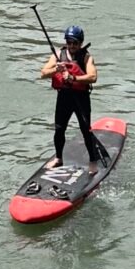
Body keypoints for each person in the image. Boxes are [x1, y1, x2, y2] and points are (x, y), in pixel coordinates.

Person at [39, 25, 99, 174]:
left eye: (75, 43)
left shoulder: (86, 57)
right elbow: (43, 73)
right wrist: (56, 69)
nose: (72, 46)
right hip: (64, 97)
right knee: (59, 129)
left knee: (86, 130)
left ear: (80, 43)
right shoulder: (58, 55)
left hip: (81, 98)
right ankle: (58, 158)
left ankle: (93, 161)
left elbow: (93, 77)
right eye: (69, 42)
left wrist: (73, 78)